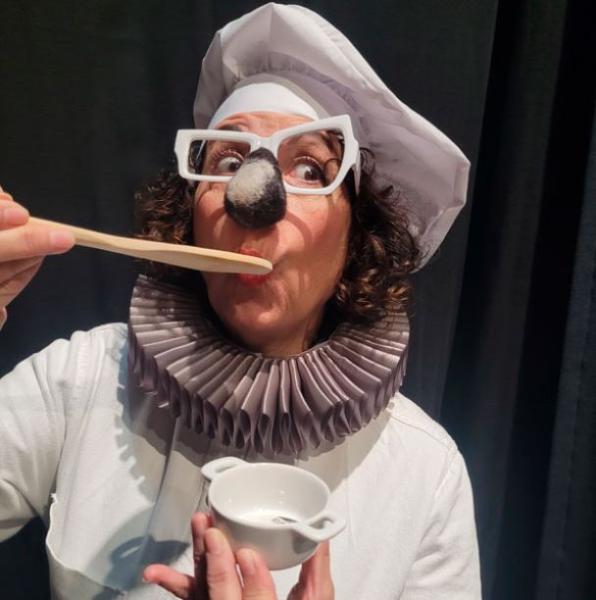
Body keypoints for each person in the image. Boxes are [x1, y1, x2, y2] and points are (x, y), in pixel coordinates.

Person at [0, 3, 481, 599]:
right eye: (229, 161)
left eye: (311, 168)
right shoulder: (80, 380)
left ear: (357, 235)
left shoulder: (427, 474)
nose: (253, 198)